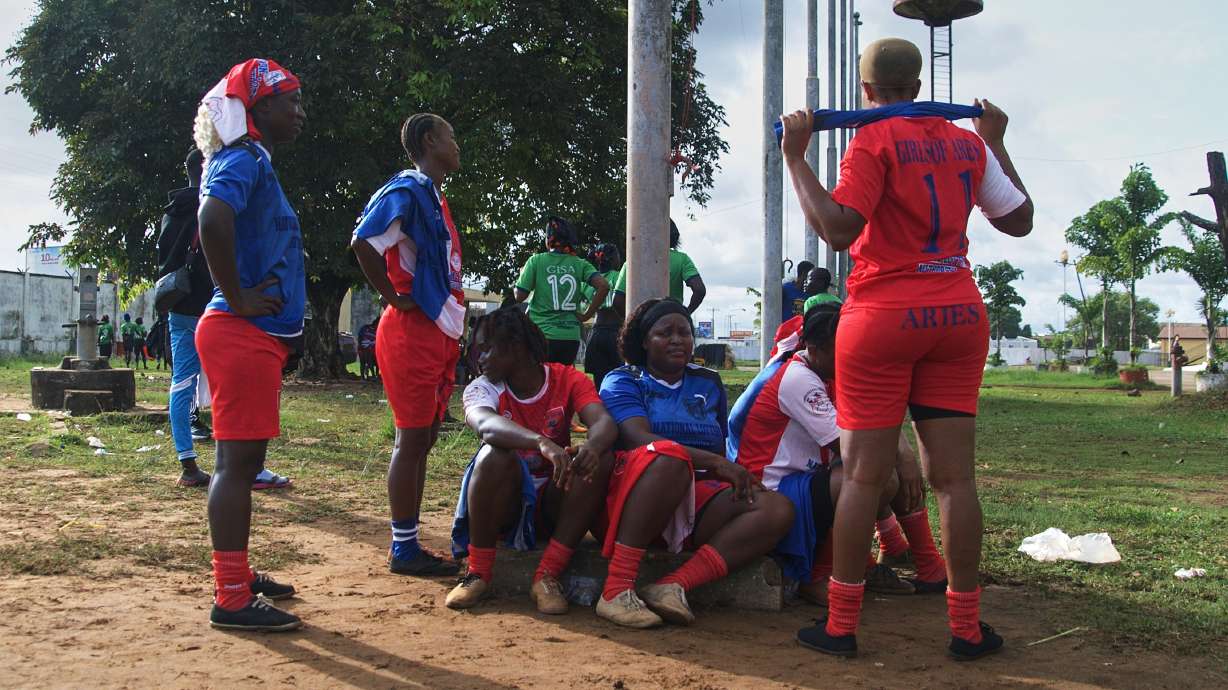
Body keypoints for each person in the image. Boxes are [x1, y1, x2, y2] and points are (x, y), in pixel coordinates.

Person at [780, 37, 1033, 659]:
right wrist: (996, 138)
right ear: (918, 86)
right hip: (956, 314)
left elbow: (839, 230)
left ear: (865, 92)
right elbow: (1020, 220)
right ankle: (968, 629)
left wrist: (795, 156)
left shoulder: (871, 140)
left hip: (884, 317)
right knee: (955, 481)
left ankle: (840, 626)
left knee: (864, 475)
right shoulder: (967, 141)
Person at [193, 57, 308, 631]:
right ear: (260, 107)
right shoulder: (242, 158)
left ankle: (236, 573)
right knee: (236, 467)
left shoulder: (253, 160)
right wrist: (236, 297)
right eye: (292, 102)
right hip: (240, 332)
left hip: (251, 336)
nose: (300, 114)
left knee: (243, 463)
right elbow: (213, 219)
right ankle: (232, 597)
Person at [594, 298, 794, 628]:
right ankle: (616, 589)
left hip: (696, 495)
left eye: (685, 332)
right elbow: (636, 438)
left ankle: (673, 586)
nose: (677, 339)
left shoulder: (707, 382)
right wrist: (715, 462)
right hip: (635, 496)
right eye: (665, 333)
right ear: (644, 341)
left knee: (777, 509)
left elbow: (718, 442)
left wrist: (724, 470)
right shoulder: (623, 380)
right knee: (669, 457)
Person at [734, 305, 947, 605]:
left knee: (885, 468)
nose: (851, 357)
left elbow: (876, 417)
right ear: (815, 348)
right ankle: (820, 575)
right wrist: (900, 457)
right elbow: (851, 447)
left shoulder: (832, 369)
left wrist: (907, 457)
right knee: (872, 475)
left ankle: (927, 567)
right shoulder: (799, 379)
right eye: (842, 349)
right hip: (772, 487)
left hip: (806, 478)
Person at [351, 112, 466, 577]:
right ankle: (403, 547)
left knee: (426, 438)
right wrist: (393, 296)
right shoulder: (407, 190)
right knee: (411, 438)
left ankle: (411, 539)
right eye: (451, 137)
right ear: (428, 140)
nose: (457, 146)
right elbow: (364, 242)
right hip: (411, 332)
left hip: (441, 329)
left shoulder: (434, 197)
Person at [447, 306, 616, 613]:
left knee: (600, 458)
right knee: (494, 455)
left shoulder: (566, 378)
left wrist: (592, 445)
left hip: (553, 500)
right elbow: (485, 425)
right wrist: (541, 442)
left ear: (516, 347)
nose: (479, 359)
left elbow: (603, 422)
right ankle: (479, 572)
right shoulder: (483, 387)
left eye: (486, 350)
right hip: (506, 505)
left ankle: (548, 575)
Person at [158, 147, 218, 486]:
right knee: (226, 382)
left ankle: (188, 465)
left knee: (181, 383)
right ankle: (236, 463)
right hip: (210, 306)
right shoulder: (209, 206)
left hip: (177, 305)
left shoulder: (169, 212)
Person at [513, 217, 609, 366]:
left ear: (548, 239)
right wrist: (586, 315)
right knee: (561, 382)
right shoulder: (579, 263)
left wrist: (521, 277)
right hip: (570, 337)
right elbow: (604, 286)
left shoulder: (536, 261)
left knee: (540, 384)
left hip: (542, 335)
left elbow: (520, 296)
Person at [611, 220, 706, 315]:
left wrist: (634, 321)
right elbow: (700, 290)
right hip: (672, 318)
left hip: (644, 322)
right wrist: (685, 314)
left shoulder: (632, 263)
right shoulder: (682, 259)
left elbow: (617, 301)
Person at [582, 242, 624, 391]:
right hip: (616, 332)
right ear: (613, 259)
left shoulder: (589, 282)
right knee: (620, 379)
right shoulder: (620, 277)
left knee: (599, 384)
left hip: (596, 333)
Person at [357, 316, 379, 381]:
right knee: (363, 362)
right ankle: (363, 377)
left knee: (372, 359)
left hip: (372, 350)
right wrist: (361, 346)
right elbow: (360, 337)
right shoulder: (365, 328)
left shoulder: (378, 331)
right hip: (363, 348)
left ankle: (374, 375)